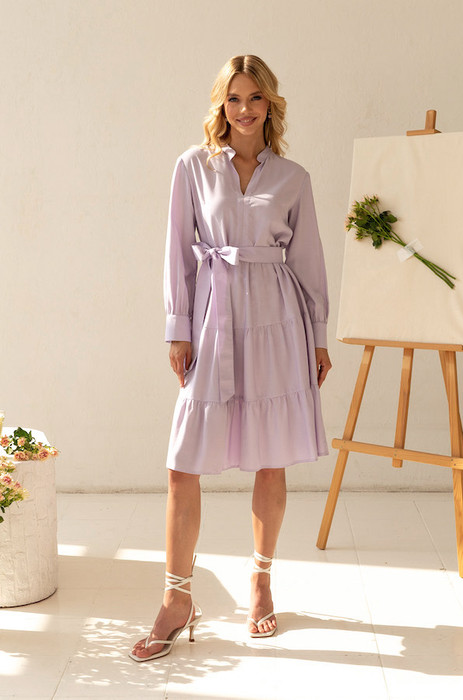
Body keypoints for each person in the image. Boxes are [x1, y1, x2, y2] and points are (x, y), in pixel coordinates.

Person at [129, 54, 332, 662]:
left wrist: (318, 336)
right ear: (221, 104)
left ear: (271, 104)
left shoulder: (294, 177)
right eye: (234, 98)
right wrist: (178, 328)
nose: (244, 110)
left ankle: (261, 581)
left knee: (271, 459)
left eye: (255, 98)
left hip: (277, 321)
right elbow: (177, 250)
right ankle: (176, 598)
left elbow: (309, 260)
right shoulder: (193, 166)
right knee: (182, 465)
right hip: (213, 317)